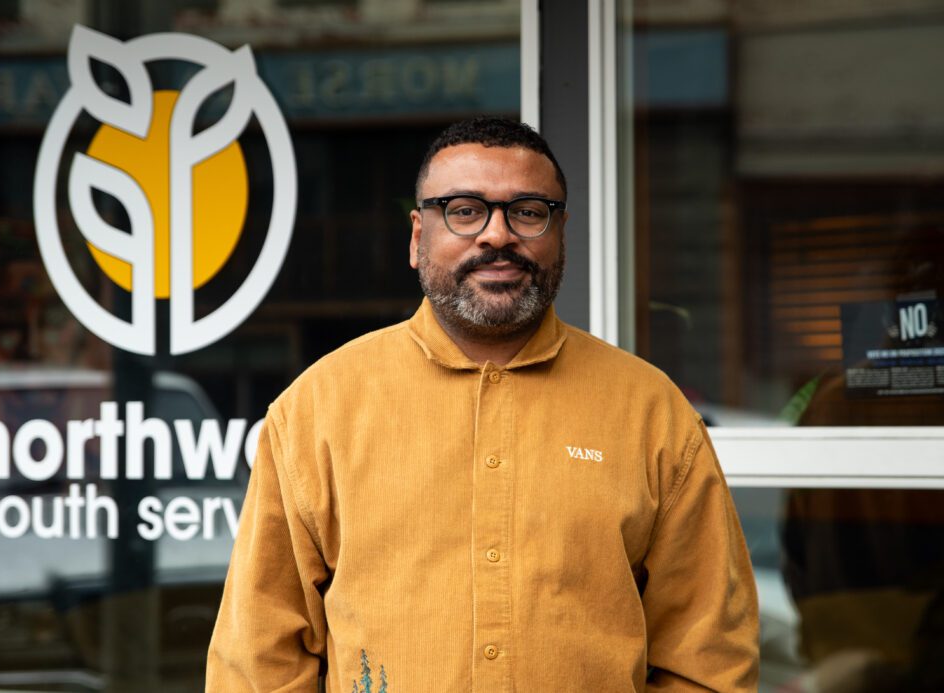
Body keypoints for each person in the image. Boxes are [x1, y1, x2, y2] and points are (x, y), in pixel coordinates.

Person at [206, 117, 758, 692]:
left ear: (559, 232)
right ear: (418, 237)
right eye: (465, 210)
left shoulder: (650, 412)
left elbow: (707, 656)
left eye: (527, 211)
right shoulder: (317, 410)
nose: (497, 235)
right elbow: (257, 661)